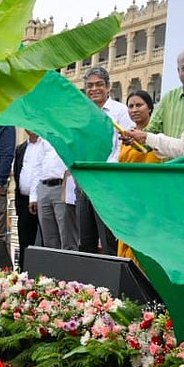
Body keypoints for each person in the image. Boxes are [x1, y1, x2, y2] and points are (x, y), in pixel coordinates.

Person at [75, 66, 133, 254]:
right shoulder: (83, 114)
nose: (94, 89)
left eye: (99, 84)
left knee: (109, 238)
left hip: (109, 183)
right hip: (85, 183)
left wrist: (104, 173)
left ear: (108, 87)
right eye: (90, 86)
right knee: (85, 239)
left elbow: (125, 146)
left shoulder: (120, 112)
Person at [115, 91, 161, 261]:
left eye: (139, 105)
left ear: (150, 108)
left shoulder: (156, 136)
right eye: (131, 106)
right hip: (129, 199)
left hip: (151, 199)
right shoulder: (127, 136)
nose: (134, 109)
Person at [26, 132, 77, 251]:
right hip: (43, 187)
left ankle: (69, 268)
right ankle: (53, 268)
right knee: (49, 237)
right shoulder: (45, 137)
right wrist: (33, 196)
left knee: (67, 235)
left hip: (63, 185)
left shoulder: (71, 134)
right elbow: (37, 167)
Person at [13, 130, 42, 268]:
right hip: (23, 200)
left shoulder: (46, 145)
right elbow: (17, 173)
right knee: (24, 240)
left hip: (42, 199)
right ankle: (23, 271)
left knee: (45, 240)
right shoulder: (21, 148)